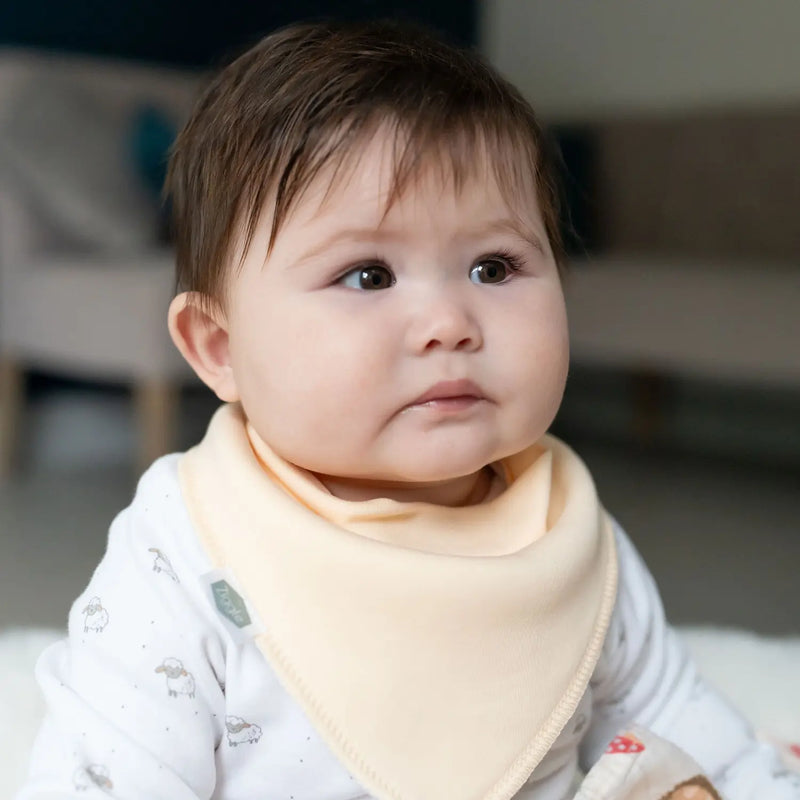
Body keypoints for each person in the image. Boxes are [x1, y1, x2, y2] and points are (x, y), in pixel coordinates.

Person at [16, 20, 799, 800]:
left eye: (494, 266)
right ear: (220, 348)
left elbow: (685, 726)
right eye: (367, 276)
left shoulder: (568, 536)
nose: (449, 321)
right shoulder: (189, 551)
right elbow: (105, 776)